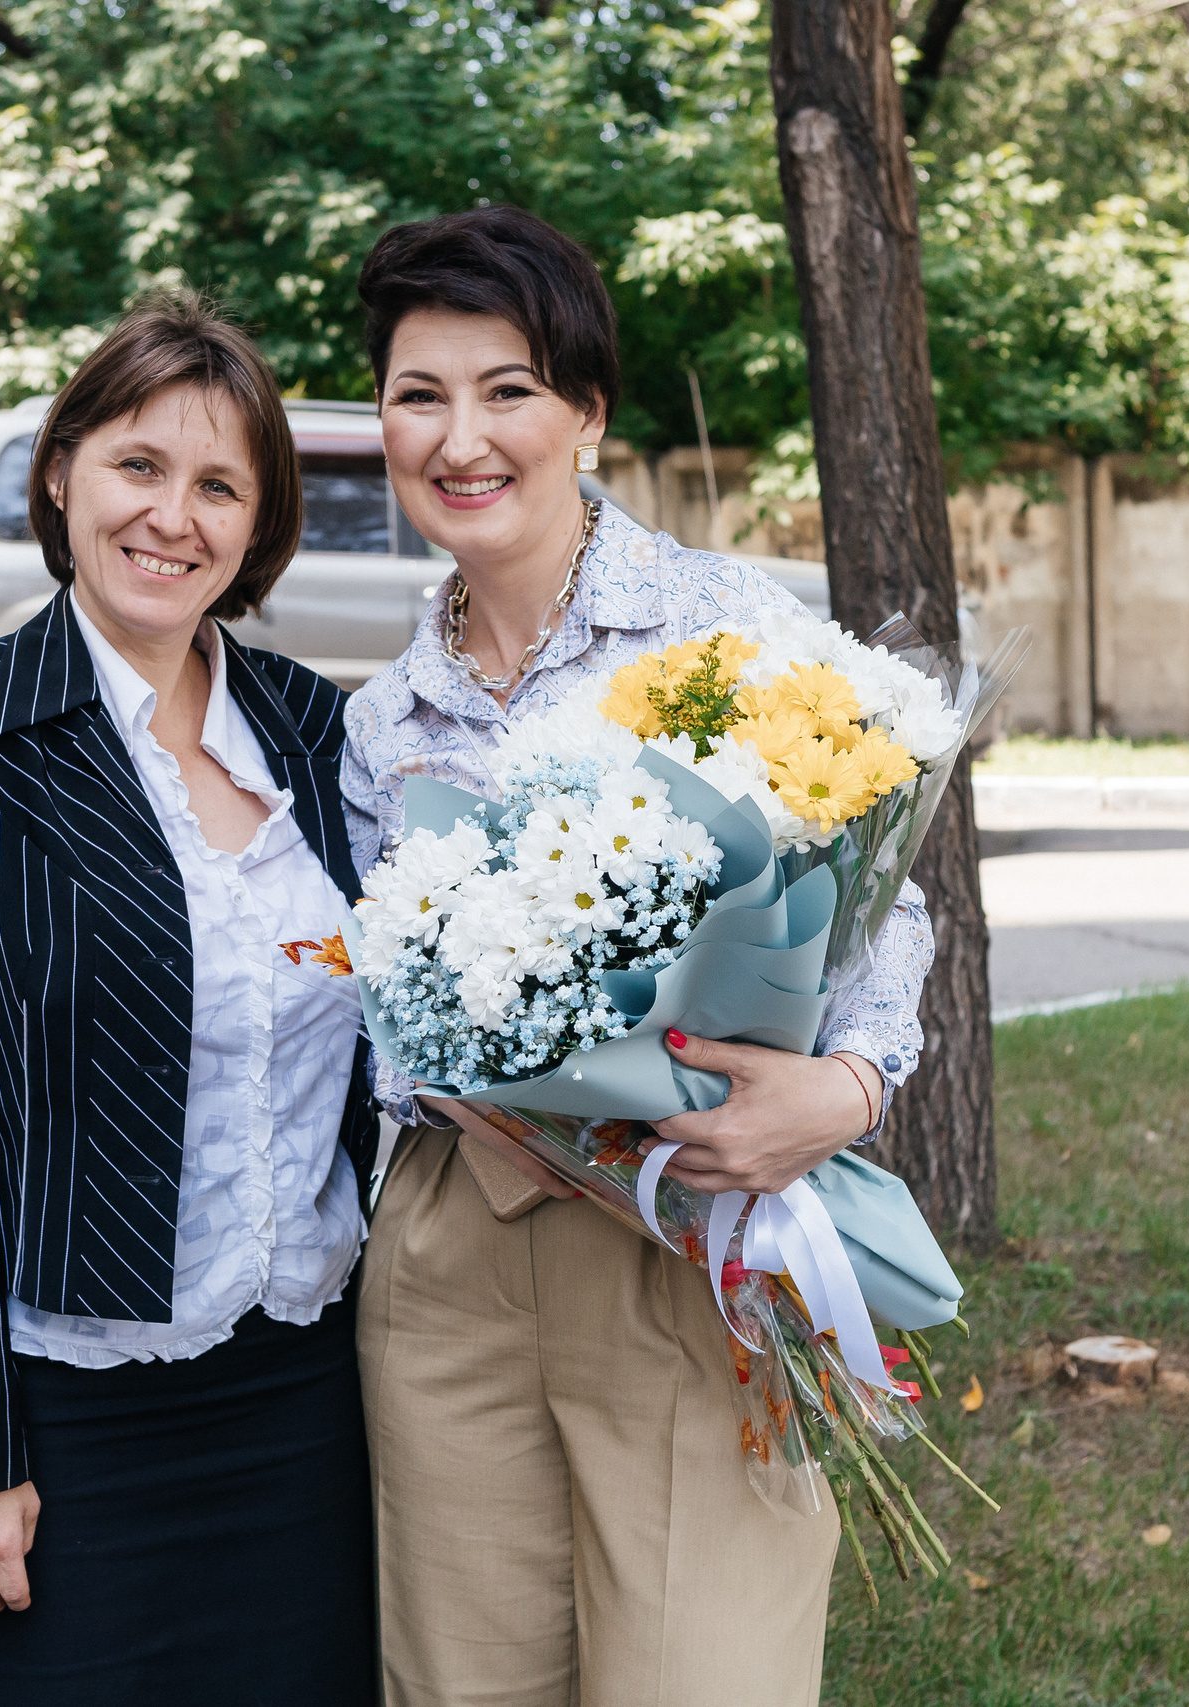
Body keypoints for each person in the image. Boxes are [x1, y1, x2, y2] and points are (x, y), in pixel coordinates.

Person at [340, 205, 936, 1707]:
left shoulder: (728, 632)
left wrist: (847, 1094)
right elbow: (395, 1018)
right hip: (452, 1261)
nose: (459, 438)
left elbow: (884, 919)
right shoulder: (380, 722)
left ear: (586, 412)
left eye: (508, 390)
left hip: (690, 1242)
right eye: (420, 395)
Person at [0, 292, 378, 1706]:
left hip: (306, 1404)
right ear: (65, 473)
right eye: (141, 466)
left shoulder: (316, 732)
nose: (173, 517)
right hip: (61, 1413)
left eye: (220, 486)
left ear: (256, 528)